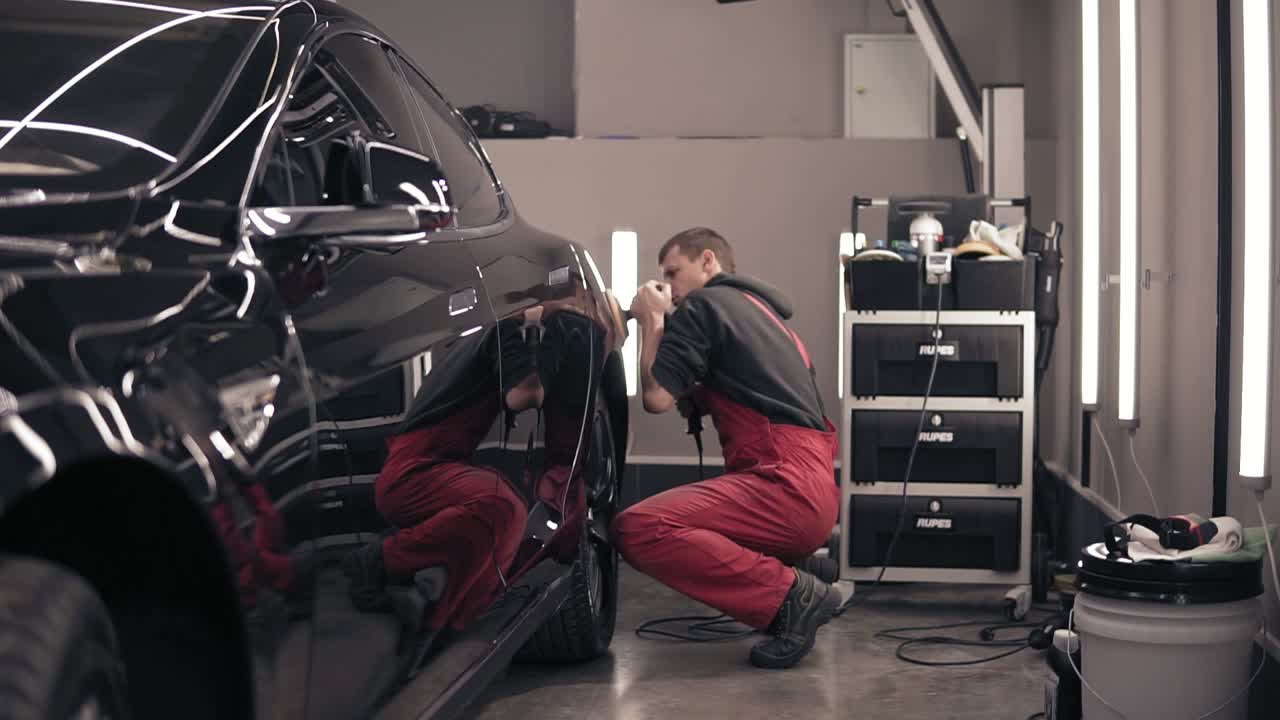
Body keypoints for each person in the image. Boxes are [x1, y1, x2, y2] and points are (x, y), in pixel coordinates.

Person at [612, 226, 841, 669]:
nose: (670, 287)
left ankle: (794, 595)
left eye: (673, 272)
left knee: (639, 527)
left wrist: (654, 322)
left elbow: (657, 397)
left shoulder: (704, 305)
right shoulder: (765, 315)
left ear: (709, 262)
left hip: (783, 485)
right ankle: (799, 571)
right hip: (814, 485)